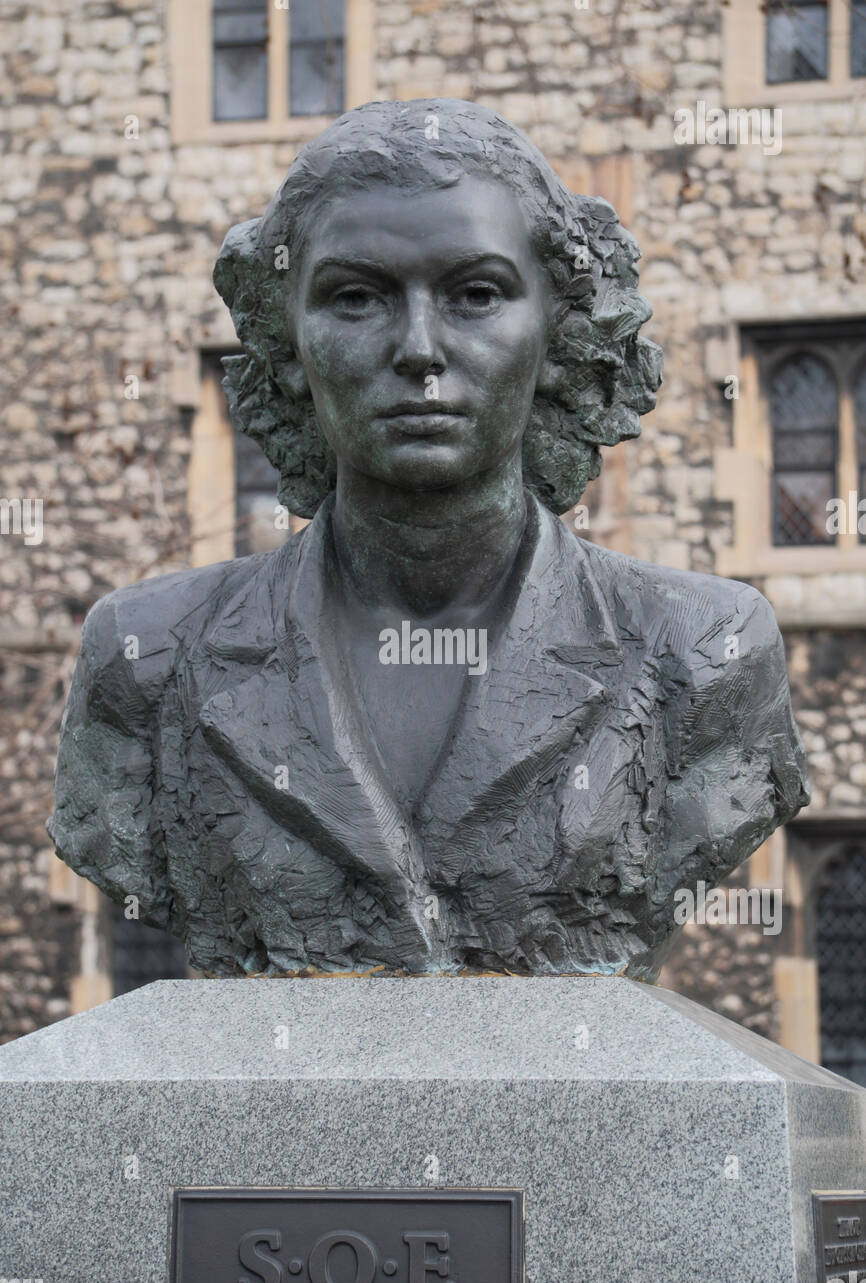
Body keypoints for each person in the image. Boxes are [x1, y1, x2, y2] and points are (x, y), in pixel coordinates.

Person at [48, 99, 809, 979]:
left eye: (476, 294)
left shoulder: (709, 653)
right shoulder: (143, 661)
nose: (418, 348)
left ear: (557, 336)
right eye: (357, 297)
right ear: (287, 343)